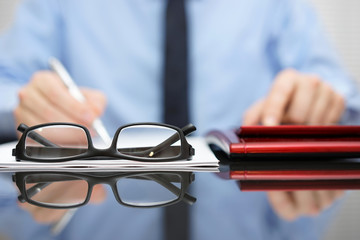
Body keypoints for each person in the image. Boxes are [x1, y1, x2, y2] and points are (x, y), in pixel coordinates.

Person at [0, 0, 360, 239]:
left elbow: (341, 96)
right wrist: (28, 104)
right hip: (83, 206)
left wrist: (321, 99)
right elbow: (8, 84)